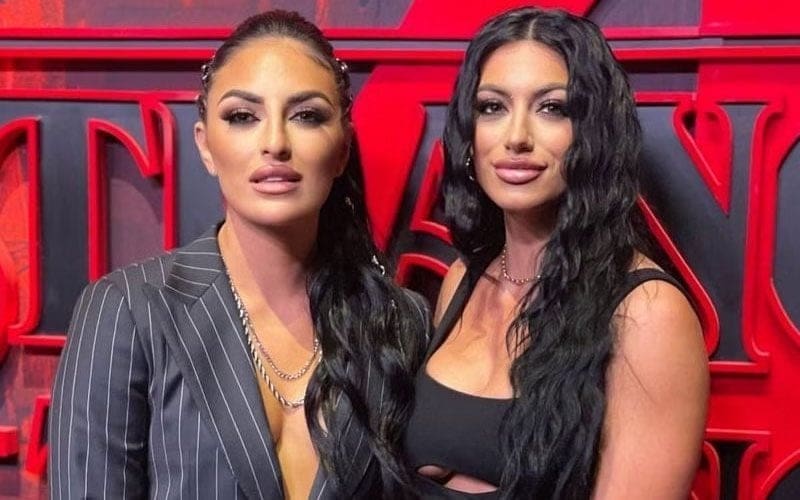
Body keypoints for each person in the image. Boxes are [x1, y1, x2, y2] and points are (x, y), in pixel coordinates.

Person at [49, 10, 429, 499]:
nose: (275, 143)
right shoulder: (129, 310)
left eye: (307, 116)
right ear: (206, 146)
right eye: (243, 117)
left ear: (341, 150)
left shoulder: (400, 321)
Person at [404, 7, 709, 499]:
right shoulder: (464, 279)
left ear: (594, 132)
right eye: (492, 107)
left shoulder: (647, 313)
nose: (516, 137)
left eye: (552, 108)